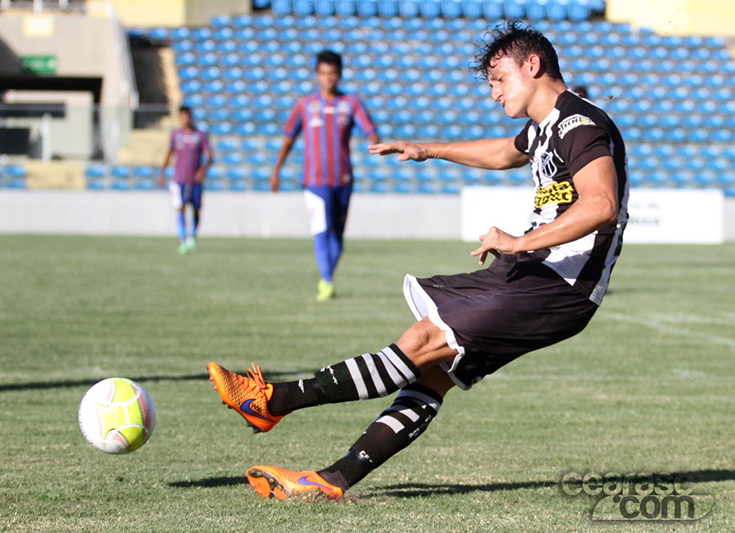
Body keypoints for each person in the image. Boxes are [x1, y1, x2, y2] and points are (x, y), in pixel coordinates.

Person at [208, 21, 629, 501]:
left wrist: (517, 242)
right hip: (533, 273)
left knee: (424, 338)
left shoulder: (580, 122)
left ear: (532, 66)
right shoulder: (543, 127)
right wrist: (428, 149)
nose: (494, 93)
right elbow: (502, 152)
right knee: (436, 371)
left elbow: (601, 205)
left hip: (557, 282)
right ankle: (333, 479)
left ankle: (273, 400)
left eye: (499, 79)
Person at [270, 50, 380, 301]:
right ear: (317, 75)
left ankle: (328, 276)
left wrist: (374, 140)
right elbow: (288, 139)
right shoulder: (305, 105)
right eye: (323, 73)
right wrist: (276, 170)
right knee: (321, 230)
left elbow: (369, 130)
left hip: (342, 179)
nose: (328, 78)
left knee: (338, 232)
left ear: (339, 75)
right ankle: (327, 281)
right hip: (314, 181)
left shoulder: (350, 103)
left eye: (332, 73)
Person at [159, 107, 214, 254]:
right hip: (179, 180)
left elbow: (209, 155)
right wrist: (162, 172)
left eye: (187, 116)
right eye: (182, 116)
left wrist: (202, 169)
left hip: (195, 180)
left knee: (196, 209)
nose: (185, 119)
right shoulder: (175, 135)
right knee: (180, 208)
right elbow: (169, 153)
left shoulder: (200, 135)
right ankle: (183, 240)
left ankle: (192, 236)